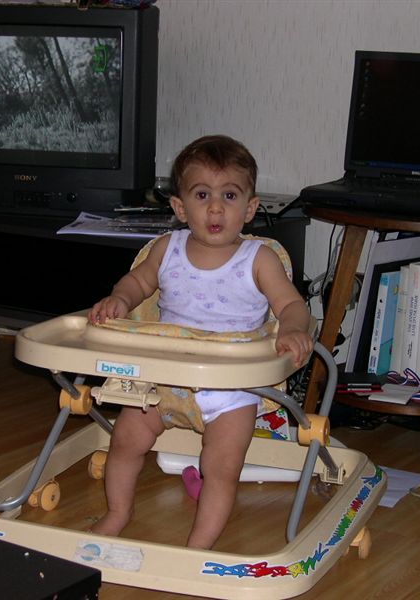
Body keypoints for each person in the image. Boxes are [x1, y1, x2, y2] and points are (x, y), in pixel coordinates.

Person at [87, 134, 314, 549]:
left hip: (231, 389)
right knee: (125, 441)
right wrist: (120, 298)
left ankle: (198, 546)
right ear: (180, 207)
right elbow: (137, 282)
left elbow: (292, 305)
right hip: (162, 380)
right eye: (202, 194)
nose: (215, 208)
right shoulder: (166, 249)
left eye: (230, 195)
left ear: (249, 208)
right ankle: (118, 513)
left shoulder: (258, 259)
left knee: (221, 467)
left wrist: (294, 328)